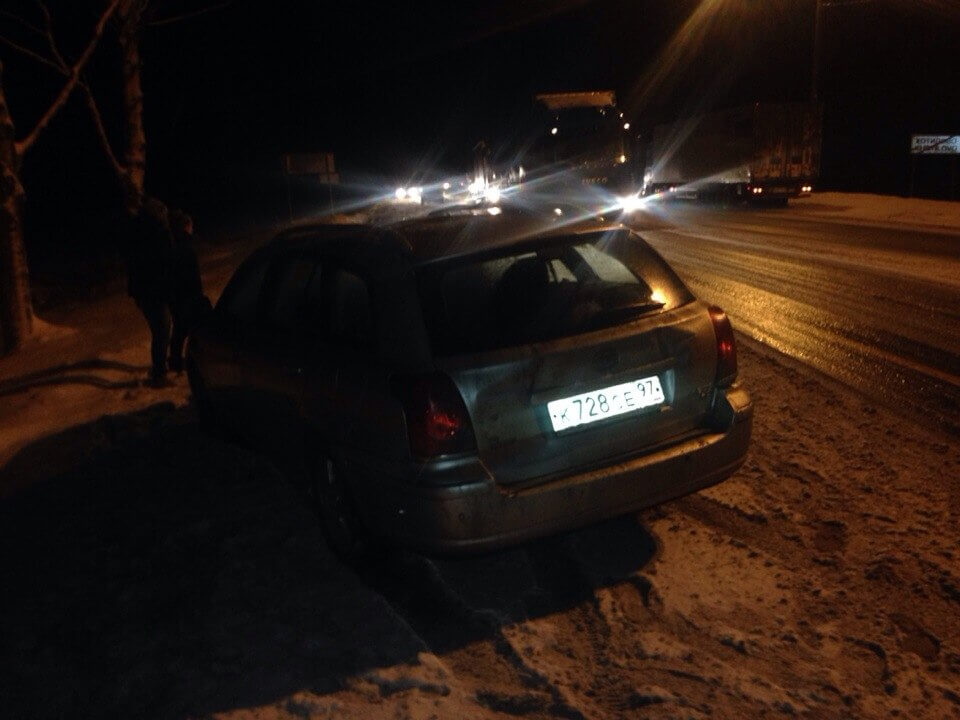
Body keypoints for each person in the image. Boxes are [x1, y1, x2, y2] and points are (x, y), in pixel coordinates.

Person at [122, 197, 174, 386]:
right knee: (162, 329)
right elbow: (156, 264)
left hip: (148, 290)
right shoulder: (150, 236)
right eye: (162, 214)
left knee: (161, 329)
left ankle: (160, 366)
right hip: (151, 291)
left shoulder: (145, 233)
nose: (165, 217)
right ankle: (159, 374)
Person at [168, 210, 211, 373]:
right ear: (187, 227)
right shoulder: (186, 247)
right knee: (193, 329)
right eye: (191, 226)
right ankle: (192, 361)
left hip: (177, 296)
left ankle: (176, 361)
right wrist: (197, 296)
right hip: (188, 296)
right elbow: (191, 276)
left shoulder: (173, 244)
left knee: (179, 330)